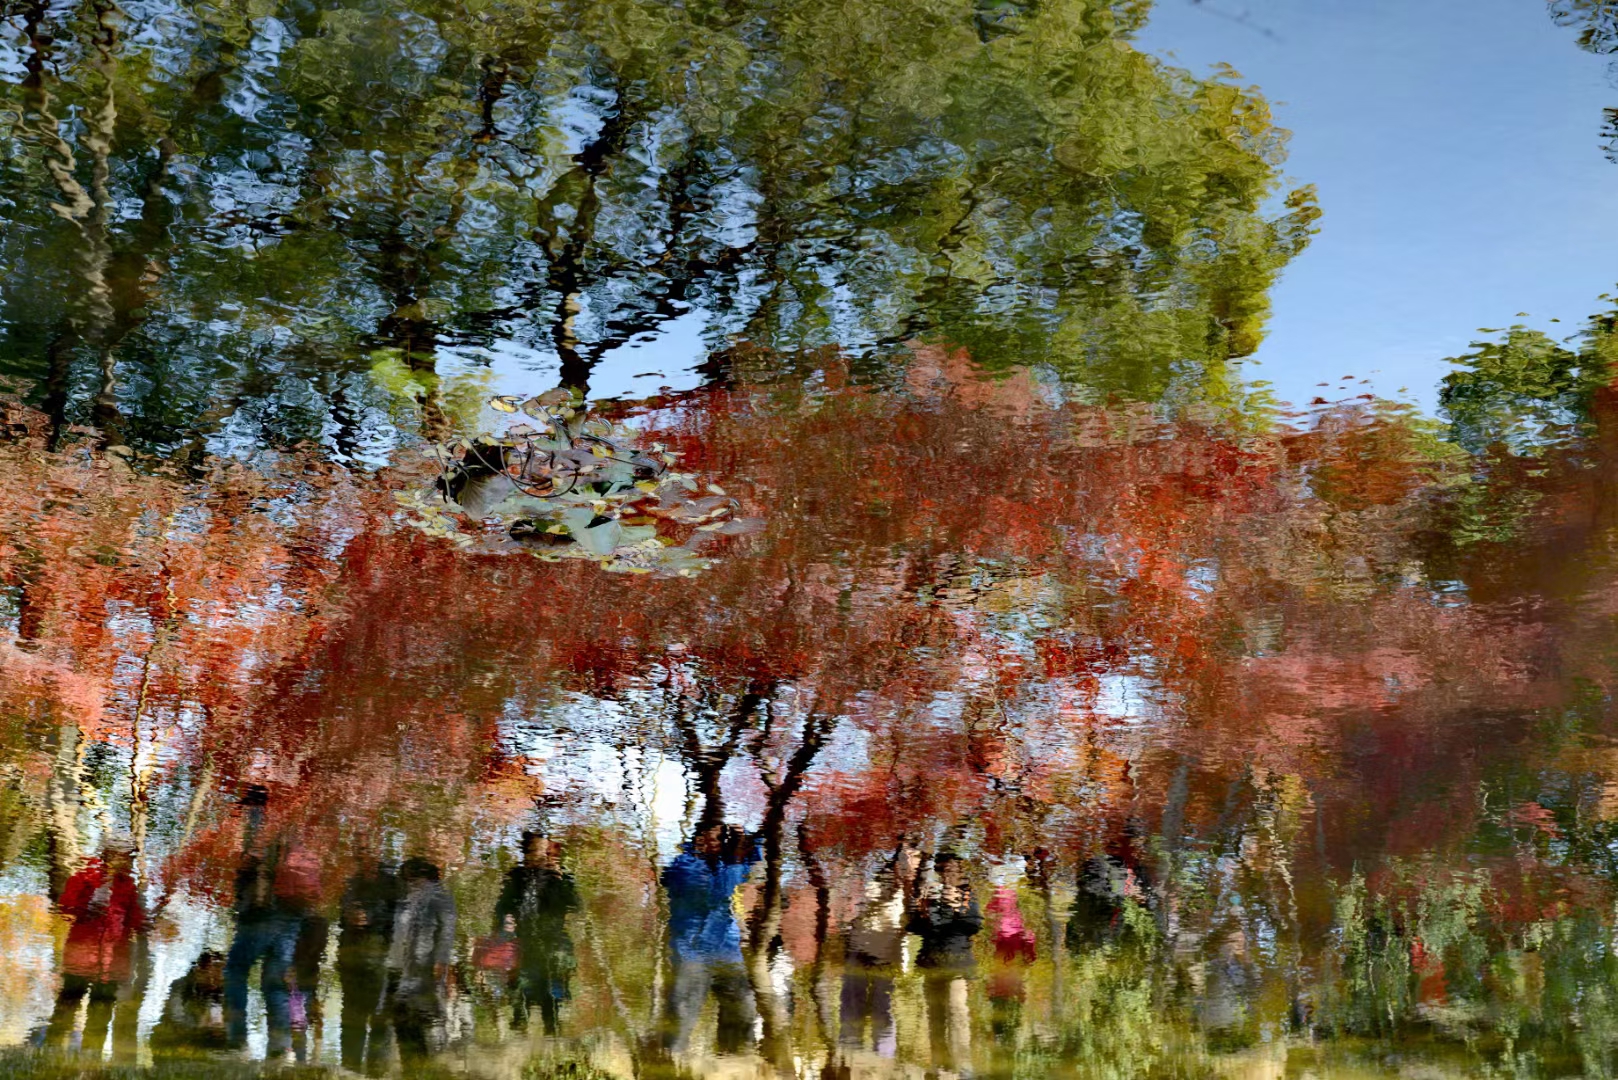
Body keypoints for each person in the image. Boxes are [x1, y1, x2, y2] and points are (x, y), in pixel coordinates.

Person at [660, 823, 759, 1055]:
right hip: (692, 951)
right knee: (684, 1011)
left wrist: (744, 837)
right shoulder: (683, 865)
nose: (719, 844)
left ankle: (734, 1058)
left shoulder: (726, 863)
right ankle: (669, 1061)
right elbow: (718, 894)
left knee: (743, 1007)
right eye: (714, 839)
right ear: (699, 839)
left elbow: (754, 857)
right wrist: (735, 860)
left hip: (726, 952)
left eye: (722, 840)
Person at [44, 841, 144, 1054]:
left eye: (130, 857)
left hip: (112, 964)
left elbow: (134, 921)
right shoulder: (85, 877)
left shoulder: (127, 886)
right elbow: (66, 908)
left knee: (101, 1011)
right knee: (68, 1004)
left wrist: (146, 922)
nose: (128, 862)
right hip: (80, 958)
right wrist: (86, 909)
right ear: (109, 855)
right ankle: (51, 1050)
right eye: (124, 856)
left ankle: (93, 1057)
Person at [493, 831, 579, 1036]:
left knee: (552, 990)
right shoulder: (516, 876)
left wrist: (560, 881)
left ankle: (552, 1031)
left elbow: (575, 905)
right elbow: (502, 907)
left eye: (544, 851)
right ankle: (519, 1031)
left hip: (553, 941)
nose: (539, 856)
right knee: (520, 988)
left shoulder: (562, 876)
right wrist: (504, 926)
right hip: (523, 940)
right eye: (534, 851)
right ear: (526, 853)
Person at [839, 842, 919, 1056]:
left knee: (880, 1005)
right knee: (854, 1002)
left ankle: (881, 1057)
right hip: (860, 948)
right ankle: (850, 1053)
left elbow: (906, 923)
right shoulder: (867, 880)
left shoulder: (906, 888)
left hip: (885, 953)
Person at [909, 852, 982, 1075]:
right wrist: (920, 909)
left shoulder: (967, 894)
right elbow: (914, 928)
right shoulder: (930, 894)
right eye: (941, 869)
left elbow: (973, 927)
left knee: (957, 1012)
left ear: (959, 870)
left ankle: (962, 1068)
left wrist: (957, 907)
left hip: (957, 964)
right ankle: (938, 1065)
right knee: (935, 1015)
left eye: (949, 869)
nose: (945, 874)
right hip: (931, 962)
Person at [386, 857, 457, 1061]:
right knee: (401, 1015)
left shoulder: (442, 898)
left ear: (426, 878)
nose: (410, 883)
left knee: (425, 1015)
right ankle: (410, 1062)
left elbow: (447, 932)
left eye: (414, 879)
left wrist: (441, 960)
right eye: (407, 879)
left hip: (427, 965)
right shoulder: (406, 900)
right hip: (402, 966)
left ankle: (429, 1061)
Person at [338, 861, 400, 1073]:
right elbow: (342, 917)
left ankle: (375, 1071)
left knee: (379, 1015)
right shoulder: (350, 879)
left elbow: (399, 918)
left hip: (380, 957)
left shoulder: (391, 881)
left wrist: (371, 916)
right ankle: (350, 1069)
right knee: (353, 1014)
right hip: (352, 956)